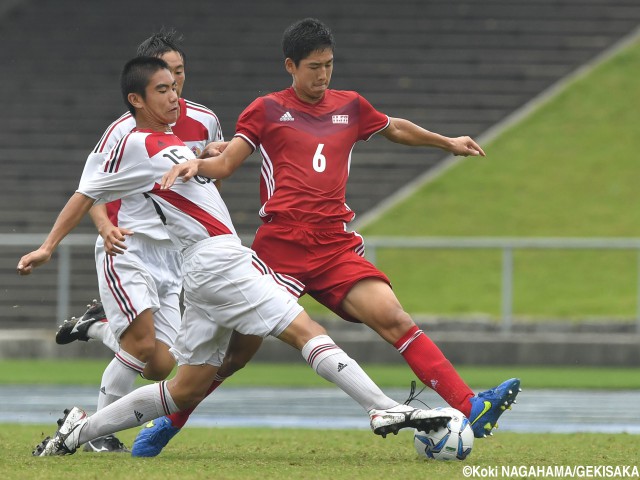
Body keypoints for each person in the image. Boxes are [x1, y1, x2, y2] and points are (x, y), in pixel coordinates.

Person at [19, 56, 451, 457]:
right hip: (216, 262)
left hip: (207, 264)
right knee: (305, 330)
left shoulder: (169, 140)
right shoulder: (131, 142)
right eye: (163, 90)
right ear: (137, 99)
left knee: (185, 389)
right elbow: (87, 192)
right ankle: (381, 408)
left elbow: (195, 173)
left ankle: (77, 431)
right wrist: (47, 247)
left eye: (175, 87)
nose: (174, 96)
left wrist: (204, 155)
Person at [141, 17, 521, 455]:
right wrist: (198, 164)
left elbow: (395, 127)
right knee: (236, 354)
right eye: (313, 67)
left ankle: (471, 404)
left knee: (395, 318)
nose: (323, 75)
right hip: (279, 248)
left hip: (333, 246)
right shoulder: (265, 109)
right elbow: (227, 164)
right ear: (291, 66)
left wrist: (446, 142)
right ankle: (169, 423)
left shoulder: (351, 106)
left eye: (328, 65)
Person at [53, 28, 224, 453]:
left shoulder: (204, 119)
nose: (176, 84)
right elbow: (93, 187)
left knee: (160, 364)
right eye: (166, 76)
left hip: (176, 255)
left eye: (180, 73)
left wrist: (222, 154)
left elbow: (207, 174)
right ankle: (97, 432)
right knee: (142, 344)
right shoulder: (122, 131)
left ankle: (95, 326)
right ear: (145, 84)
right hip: (132, 246)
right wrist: (103, 226)